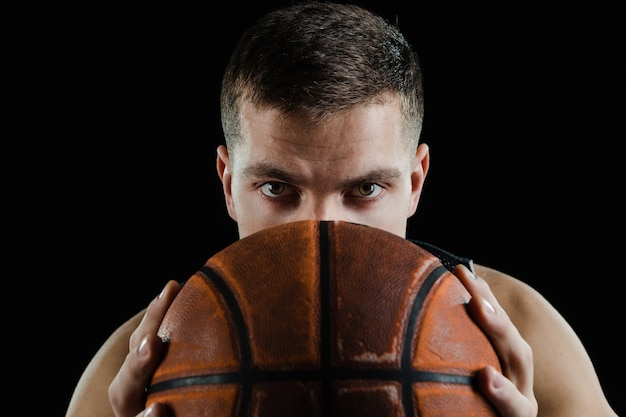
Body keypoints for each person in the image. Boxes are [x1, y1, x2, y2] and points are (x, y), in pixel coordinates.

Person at [65, 2, 618, 416]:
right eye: (279, 189)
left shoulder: (524, 332)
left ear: (416, 182)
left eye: (365, 190)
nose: (321, 227)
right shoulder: (139, 361)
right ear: (228, 184)